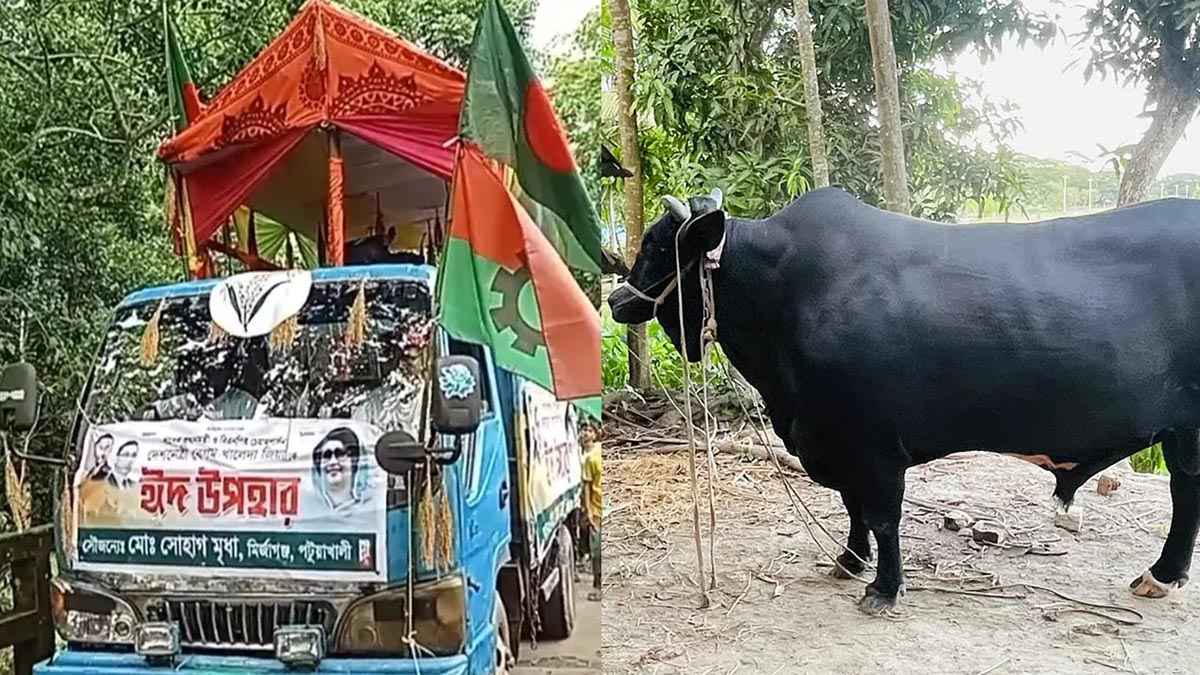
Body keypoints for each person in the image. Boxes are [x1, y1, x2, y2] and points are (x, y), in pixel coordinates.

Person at [312, 427, 365, 511]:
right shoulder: (312, 514)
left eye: (340, 454)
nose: (333, 462)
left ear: (353, 461)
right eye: (327, 455)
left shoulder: (367, 510)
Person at [580, 425, 602, 601]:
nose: (586, 433)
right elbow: (587, 485)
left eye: (589, 430)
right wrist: (588, 510)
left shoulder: (602, 451)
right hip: (596, 509)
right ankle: (597, 585)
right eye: (584, 430)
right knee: (597, 551)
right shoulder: (589, 458)